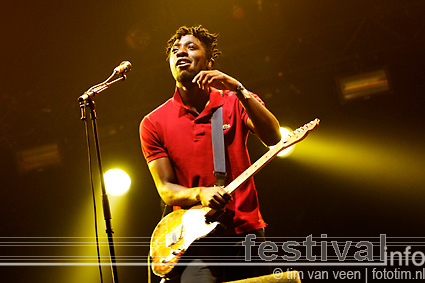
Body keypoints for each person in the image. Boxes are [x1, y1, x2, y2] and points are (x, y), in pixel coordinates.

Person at [140, 25, 281, 282]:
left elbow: (274, 137)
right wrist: (199, 193)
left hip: (244, 232)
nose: (181, 52)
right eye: (175, 50)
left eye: (191, 47)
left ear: (209, 62)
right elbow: (165, 189)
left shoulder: (234, 100)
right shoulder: (153, 122)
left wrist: (239, 88)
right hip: (195, 242)